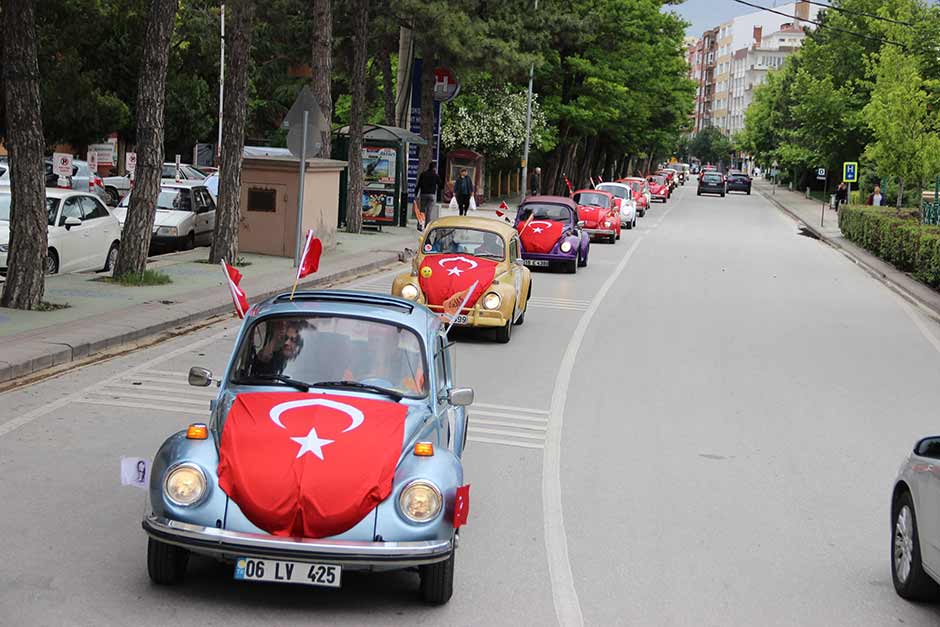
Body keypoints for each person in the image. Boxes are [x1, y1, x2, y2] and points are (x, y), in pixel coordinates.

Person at [416, 164, 442, 231]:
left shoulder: (423, 174)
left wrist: (416, 194)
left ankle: (420, 225)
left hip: (423, 194)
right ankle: (427, 226)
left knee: (422, 210)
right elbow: (440, 185)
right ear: (434, 168)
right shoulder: (435, 175)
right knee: (429, 211)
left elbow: (419, 184)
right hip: (431, 195)